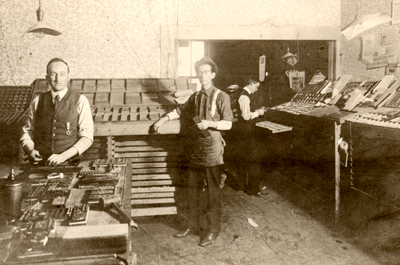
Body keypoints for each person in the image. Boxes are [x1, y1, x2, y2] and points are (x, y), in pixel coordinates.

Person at [152, 57, 233, 247]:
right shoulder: (195, 97)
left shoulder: (222, 96)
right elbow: (180, 111)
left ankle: (213, 230)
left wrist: (210, 123)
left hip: (212, 150)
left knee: (213, 192)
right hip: (195, 150)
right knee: (192, 190)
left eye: (206, 72)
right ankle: (192, 224)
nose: (202, 75)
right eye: (200, 72)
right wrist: (162, 120)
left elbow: (228, 123)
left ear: (213, 75)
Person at [20, 58, 93, 166]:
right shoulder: (37, 101)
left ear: (68, 77)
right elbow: (27, 132)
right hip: (40, 164)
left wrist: (63, 156)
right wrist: (30, 150)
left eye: (62, 74)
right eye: (53, 74)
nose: (57, 79)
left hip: (70, 164)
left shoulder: (80, 100)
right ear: (47, 78)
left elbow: (87, 137)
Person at [236, 76, 266, 196]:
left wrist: (257, 110)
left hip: (244, 132)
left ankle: (241, 185)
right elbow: (246, 116)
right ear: (251, 83)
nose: (257, 89)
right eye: (256, 86)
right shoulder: (244, 96)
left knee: (243, 159)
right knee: (253, 159)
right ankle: (253, 189)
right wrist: (258, 113)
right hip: (246, 132)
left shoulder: (244, 95)